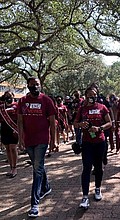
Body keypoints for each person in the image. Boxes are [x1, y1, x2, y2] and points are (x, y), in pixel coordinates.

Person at [17, 77, 56, 218]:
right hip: (28, 141)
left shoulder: (46, 100)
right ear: (28, 85)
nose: (35, 87)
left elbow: (52, 122)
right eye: (32, 85)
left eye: (37, 85)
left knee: (37, 169)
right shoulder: (22, 101)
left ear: (41, 85)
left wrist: (54, 141)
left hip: (42, 140)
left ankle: (34, 204)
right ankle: (46, 187)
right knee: (37, 165)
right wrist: (20, 139)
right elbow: (20, 122)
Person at [74, 87, 112, 209]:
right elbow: (74, 123)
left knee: (99, 167)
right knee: (86, 168)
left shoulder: (102, 107)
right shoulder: (82, 109)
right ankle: (85, 196)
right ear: (85, 96)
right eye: (89, 95)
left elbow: (109, 123)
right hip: (87, 143)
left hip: (100, 142)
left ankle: (97, 188)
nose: (92, 97)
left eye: (94, 94)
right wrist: (80, 124)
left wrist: (99, 128)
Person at [0, 91, 18, 178]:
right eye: (6, 96)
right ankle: (11, 167)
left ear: (13, 96)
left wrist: (18, 129)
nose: (8, 97)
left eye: (10, 96)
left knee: (13, 148)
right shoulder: (1, 107)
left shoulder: (17, 106)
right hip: (4, 129)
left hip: (13, 129)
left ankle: (15, 168)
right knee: (7, 149)